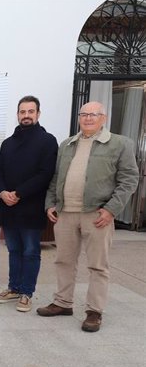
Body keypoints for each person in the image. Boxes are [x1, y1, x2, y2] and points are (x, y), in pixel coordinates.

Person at [40, 101, 139, 332]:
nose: (88, 118)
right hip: (65, 213)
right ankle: (63, 303)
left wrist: (111, 209)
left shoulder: (119, 144)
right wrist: (50, 204)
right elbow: (55, 178)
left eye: (93, 114)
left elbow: (129, 179)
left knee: (97, 265)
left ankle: (94, 311)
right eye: (84, 114)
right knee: (63, 261)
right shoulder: (67, 144)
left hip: (97, 214)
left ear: (103, 118)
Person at [0, 96, 58, 312]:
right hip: (8, 207)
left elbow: (45, 174)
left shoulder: (47, 141)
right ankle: (14, 288)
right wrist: (2, 193)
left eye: (31, 111)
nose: (26, 115)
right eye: (22, 111)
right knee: (14, 249)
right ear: (18, 114)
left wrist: (18, 193)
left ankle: (27, 293)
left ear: (38, 114)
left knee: (30, 251)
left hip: (30, 206)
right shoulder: (8, 143)